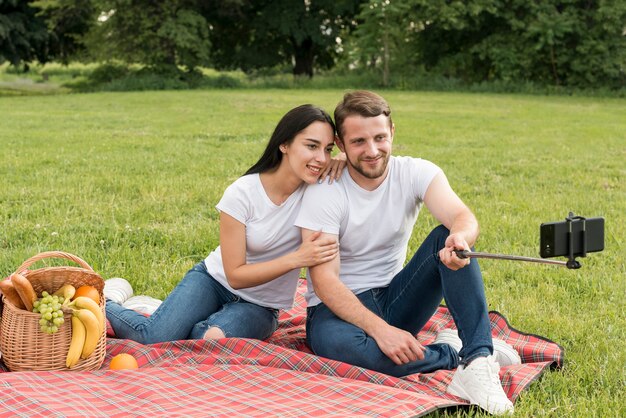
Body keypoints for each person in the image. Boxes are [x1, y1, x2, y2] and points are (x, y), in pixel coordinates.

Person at [295, 91, 520, 415]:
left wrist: (460, 237)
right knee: (370, 360)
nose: (372, 151)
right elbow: (325, 281)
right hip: (334, 312)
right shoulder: (324, 192)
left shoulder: (416, 172)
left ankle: (478, 361)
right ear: (341, 145)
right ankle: (454, 351)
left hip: (396, 298)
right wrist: (381, 331)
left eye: (379, 138)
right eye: (358, 142)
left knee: (449, 238)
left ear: (393, 133)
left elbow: (462, 217)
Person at [105, 104, 342, 344]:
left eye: (328, 149)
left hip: (260, 306)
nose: (321, 158)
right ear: (284, 144)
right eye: (311, 146)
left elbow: (367, 157)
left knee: (210, 340)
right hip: (213, 281)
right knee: (153, 336)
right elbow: (235, 275)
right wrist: (297, 259)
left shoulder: (318, 190)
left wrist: (341, 159)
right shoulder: (243, 193)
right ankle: (102, 301)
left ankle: (169, 314)